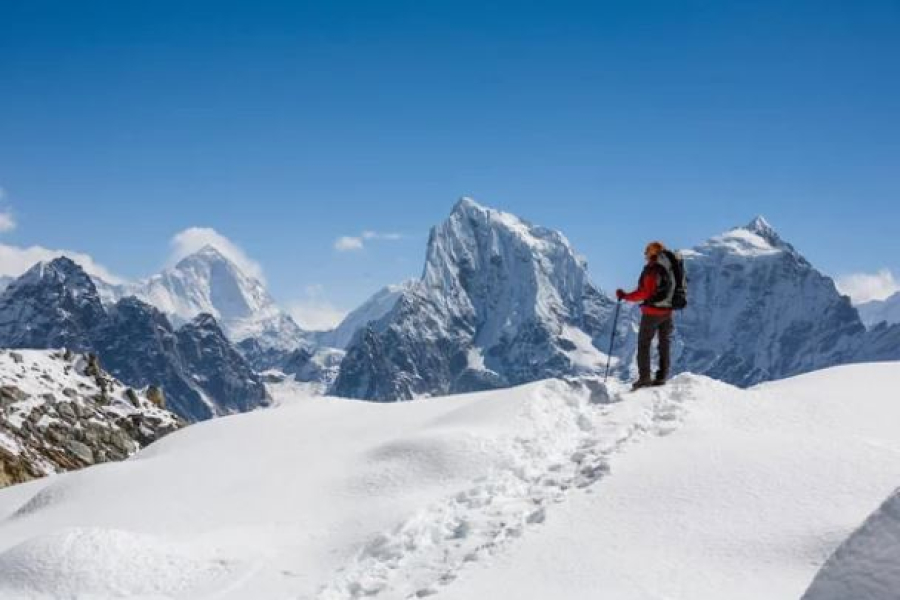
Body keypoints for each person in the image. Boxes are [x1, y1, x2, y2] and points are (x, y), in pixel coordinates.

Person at [616, 241, 674, 390]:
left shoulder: (651, 270)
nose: (645, 255)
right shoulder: (670, 267)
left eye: (647, 252)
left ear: (652, 253)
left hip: (651, 313)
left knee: (644, 344)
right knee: (664, 343)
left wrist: (625, 296)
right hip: (667, 312)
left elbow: (643, 293)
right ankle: (662, 376)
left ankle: (644, 378)